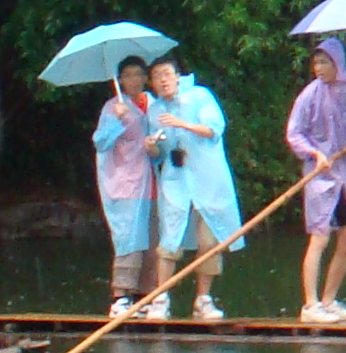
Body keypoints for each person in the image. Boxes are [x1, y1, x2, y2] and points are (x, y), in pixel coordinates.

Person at [285, 38, 346, 322]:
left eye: (324, 62)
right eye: (316, 62)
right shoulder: (309, 95)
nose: (318, 68)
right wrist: (314, 153)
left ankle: (329, 300)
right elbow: (295, 133)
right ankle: (310, 304)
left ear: (337, 63)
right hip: (322, 175)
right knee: (319, 236)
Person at [148, 57, 242, 319]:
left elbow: (214, 129)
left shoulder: (199, 96)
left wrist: (181, 124)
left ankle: (204, 299)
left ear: (178, 76)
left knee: (208, 240)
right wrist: (152, 146)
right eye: (157, 76)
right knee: (170, 238)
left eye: (167, 74)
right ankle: (161, 299)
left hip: (206, 177)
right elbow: (160, 154)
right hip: (175, 180)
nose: (163, 80)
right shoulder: (155, 110)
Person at [93, 56, 160, 315]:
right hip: (125, 184)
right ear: (120, 80)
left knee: (152, 242)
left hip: (151, 182)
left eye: (139, 74)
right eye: (129, 75)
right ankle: (121, 296)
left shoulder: (151, 104)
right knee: (129, 239)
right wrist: (116, 120)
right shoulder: (114, 106)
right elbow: (101, 142)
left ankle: (145, 297)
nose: (135, 80)